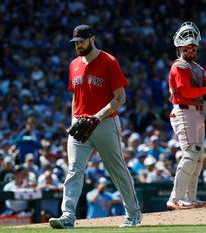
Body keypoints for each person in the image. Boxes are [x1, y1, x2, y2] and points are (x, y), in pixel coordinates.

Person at [49, 24, 142, 229]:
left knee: (116, 169)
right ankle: (67, 216)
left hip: (105, 123)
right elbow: (75, 96)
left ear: (92, 38)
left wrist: (97, 117)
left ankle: (134, 213)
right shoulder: (74, 64)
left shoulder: (109, 61)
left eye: (81, 41)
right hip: (79, 124)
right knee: (73, 169)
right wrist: (73, 120)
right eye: (75, 42)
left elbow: (120, 98)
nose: (78, 45)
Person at [166, 21, 206, 210]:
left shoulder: (197, 67)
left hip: (197, 112)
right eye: (187, 48)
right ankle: (175, 197)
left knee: (198, 156)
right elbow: (185, 91)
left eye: (193, 48)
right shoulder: (180, 66)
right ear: (179, 48)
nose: (191, 51)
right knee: (191, 153)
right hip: (184, 111)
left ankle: (189, 198)